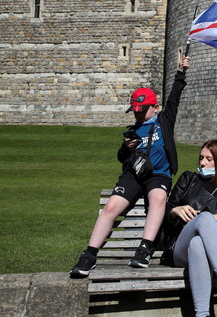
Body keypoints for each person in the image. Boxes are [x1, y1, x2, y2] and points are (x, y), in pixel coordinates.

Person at [70, 56, 190, 277]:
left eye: (143, 110)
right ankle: (89, 254)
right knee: (111, 206)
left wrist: (180, 72)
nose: (138, 114)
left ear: (155, 107)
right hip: (133, 175)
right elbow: (121, 157)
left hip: (158, 175)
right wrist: (126, 147)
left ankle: (144, 248)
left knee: (158, 199)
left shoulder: (164, 120)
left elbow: (175, 97)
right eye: (135, 110)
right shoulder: (132, 129)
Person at [161, 140, 217, 317]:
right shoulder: (188, 179)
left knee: (198, 243)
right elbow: (164, 216)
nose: (203, 163)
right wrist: (175, 210)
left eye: (209, 159)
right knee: (203, 218)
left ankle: (202, 314)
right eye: (201, 158)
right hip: (182, 246)